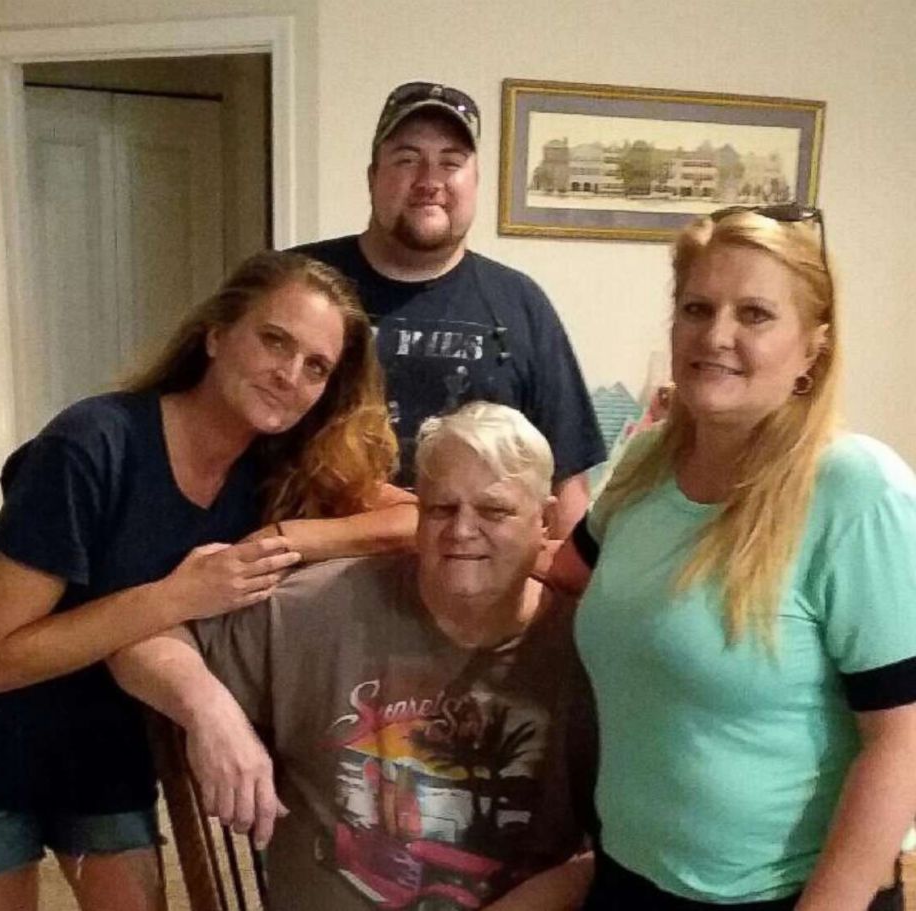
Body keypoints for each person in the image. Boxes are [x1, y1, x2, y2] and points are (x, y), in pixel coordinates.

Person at [0, 251, 417, 911]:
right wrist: (180, 596)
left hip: (104, 721)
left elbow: (417, 518)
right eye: (275, 340)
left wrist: (289, 538)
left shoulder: (278, 469)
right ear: (217, 334)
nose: (290, 374)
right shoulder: (93, 442)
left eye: (316, 366)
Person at [551, 206, 916, 909]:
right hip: (629, 876)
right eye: (697, 307)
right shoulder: (650, 460)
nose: (716, 335)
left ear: (813, 346)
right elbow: (570, 573)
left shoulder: (858, 492)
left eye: (754, 314)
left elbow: (902, 744)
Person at [110, 402, 598, 910]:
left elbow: (632, 846)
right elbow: (138, 638)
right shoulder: (322, 605)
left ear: (544, 521)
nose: (462, 531)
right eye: (441, 509)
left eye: (493, 511)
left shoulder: (594, 644)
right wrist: (209, 711)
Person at [294, 81, 606, 536]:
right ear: (371, 177)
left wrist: (570, 594)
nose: (429, 181)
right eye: (406, 159)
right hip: (312, 576)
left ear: (475, 181)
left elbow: (567, 480)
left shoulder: (522, 304)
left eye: (451, 162)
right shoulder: (299, 283)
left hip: (473, 584)